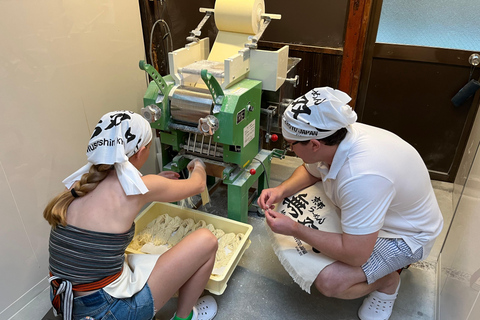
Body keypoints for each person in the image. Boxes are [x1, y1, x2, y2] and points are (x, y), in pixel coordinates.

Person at [258, 87, 443, 320]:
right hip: (374, 211)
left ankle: (387, 281)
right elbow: (311, 170)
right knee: (290, 201)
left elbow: (356, 255)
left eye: (291, 144)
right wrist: (280, 190)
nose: (290, 149)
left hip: (406, 235)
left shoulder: (361, 175)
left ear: (314, 144)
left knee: (330, 281)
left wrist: (295, 229)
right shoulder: (335, 135)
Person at [43, 110, 218, 320]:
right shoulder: (137, 190)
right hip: (106, 311)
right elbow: (197, 184)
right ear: (140, 152)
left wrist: (155, 181)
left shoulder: (77, 183)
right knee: (207, 241)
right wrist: (198, 163)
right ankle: (185, 317)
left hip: (69, 302)